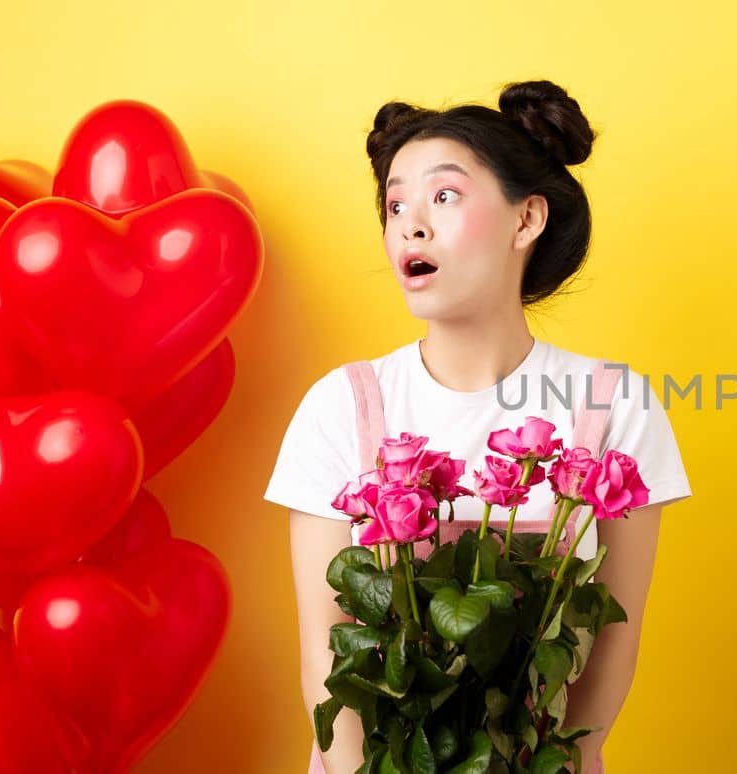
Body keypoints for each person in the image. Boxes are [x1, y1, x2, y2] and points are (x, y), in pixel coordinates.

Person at [263, 80, 692, 774]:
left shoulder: (613, 405)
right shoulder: (341, 406)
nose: (410, 223)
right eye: (395, 203)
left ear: (526, 220)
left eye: (444, 196)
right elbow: (326, 649)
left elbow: (615, 638)